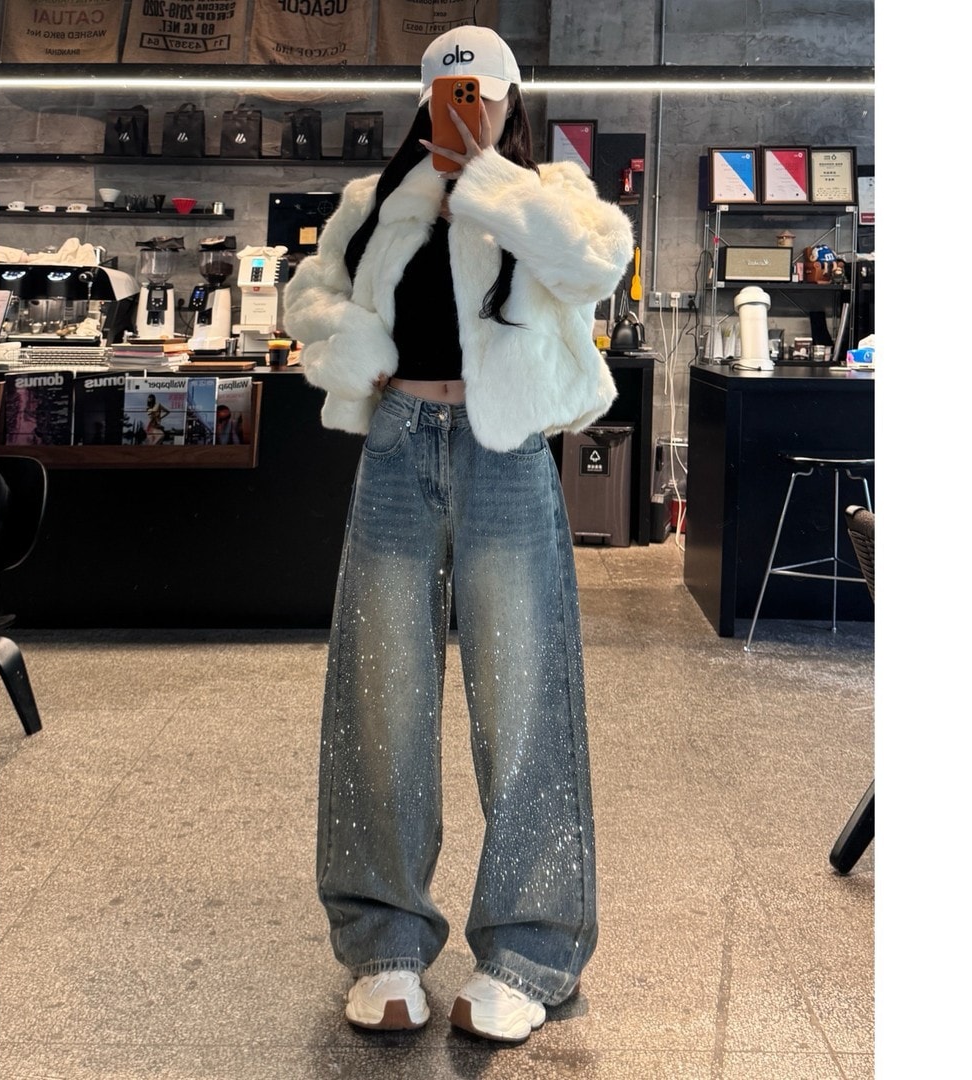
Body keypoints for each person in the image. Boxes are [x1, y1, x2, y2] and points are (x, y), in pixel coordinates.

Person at [282, 24, 634, 1044]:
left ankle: (530, 948)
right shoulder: (372, 202)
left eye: (482, 90)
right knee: (380, 695)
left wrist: (485, 179)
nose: (464, 103)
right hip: (399, 446)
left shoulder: (549, 193)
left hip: (507, 454)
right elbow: (309, 295)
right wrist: (357, 346)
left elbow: (595, 264)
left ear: (512, 100)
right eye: (448, 89)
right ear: (424, 96)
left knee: (523, 699)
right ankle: (384, 942)